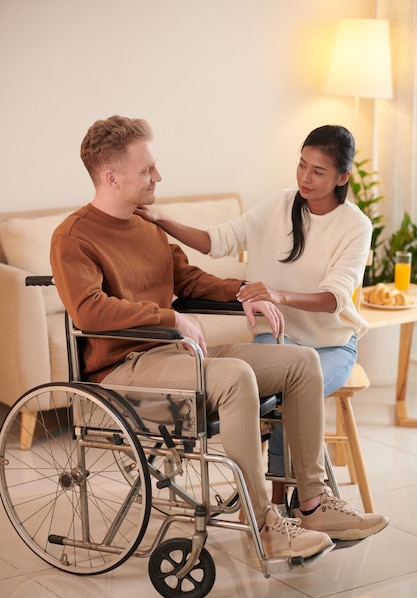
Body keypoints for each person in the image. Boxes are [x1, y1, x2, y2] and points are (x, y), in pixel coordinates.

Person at [50, 116, 388, 565]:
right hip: (124, 371)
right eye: (148, 169)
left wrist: (249, 293)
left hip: (172, 358)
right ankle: (265, 526)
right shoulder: (73, 236)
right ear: (112, 177)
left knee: (301, 361)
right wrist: (168, 317)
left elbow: (188, 279)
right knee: (235, 377)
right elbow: (88, 310)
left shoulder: (147, 226)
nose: (159, 176)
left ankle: (312, 504)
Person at [136, 124, 372, 505]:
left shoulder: (355, 226)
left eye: (318, 171)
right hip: (276, 338)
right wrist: (162, 220)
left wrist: (279, 294)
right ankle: (282, 500)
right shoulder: (279, 205)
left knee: (290, 392)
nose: (305, 178)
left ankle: (286, 497)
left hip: (331, 345)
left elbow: (335, 298)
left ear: (342, 177)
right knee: (278, 388)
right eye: (301, 165)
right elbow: (217, 241)